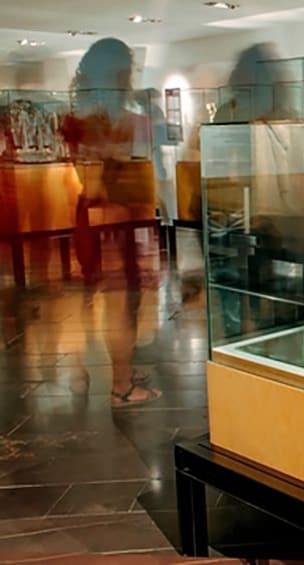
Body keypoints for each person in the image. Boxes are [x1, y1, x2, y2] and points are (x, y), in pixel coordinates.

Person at [65, 37, 162, 407]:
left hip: (100, 217)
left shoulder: (78, 121)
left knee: (119, 299)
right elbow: (111, 176)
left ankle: (121, 368)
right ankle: (120, 386)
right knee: (121, 301)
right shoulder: (125, 121)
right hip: (116, 220)